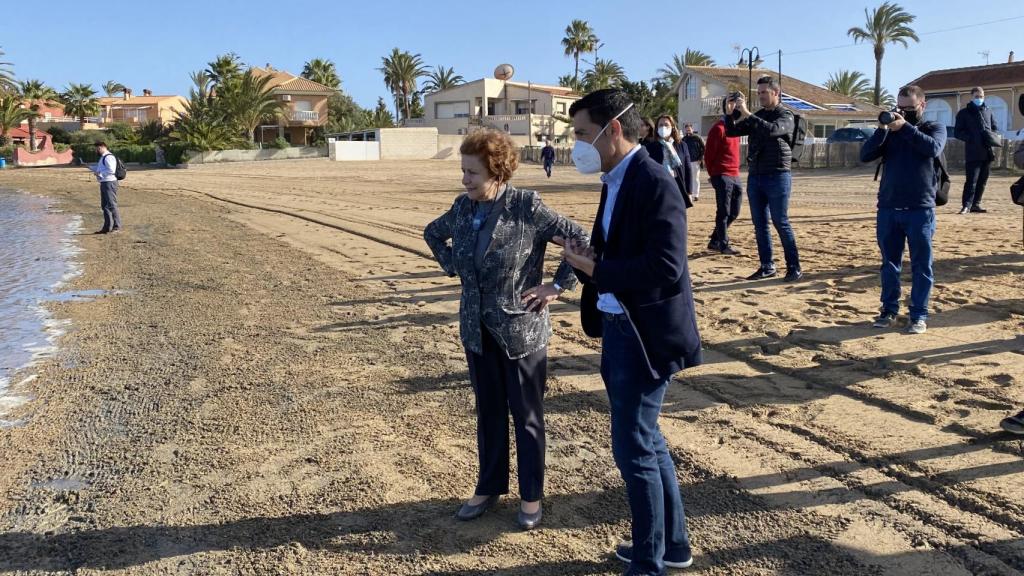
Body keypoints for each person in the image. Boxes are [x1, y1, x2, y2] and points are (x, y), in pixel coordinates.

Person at [563, 89, 702, 575]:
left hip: (642, 336)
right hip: (621, 325)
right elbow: (615, 256)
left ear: (612, 130)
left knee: (634, 447)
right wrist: (585, 261)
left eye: (582, 133)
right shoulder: (616, 179)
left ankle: (648, 563)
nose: (576, 144)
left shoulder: (654, 181)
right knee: (648, 438)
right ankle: (673, 545)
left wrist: (600, 270)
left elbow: (665, 267)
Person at [423, 129, 587, 530]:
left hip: (521, 331)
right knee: (489, 412)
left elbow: (579, 238)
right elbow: (432, 232)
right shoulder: (462, 208)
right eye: (463, 171)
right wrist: (452, 265)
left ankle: (531, 496)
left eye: (472, 173)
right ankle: (489, 486)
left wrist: (557, 286)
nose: (465, 180)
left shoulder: (526, 205)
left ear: (496, 171)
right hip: (477, 330)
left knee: (527, 416)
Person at [860, 85, 947, 335]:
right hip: (888, 207)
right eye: (900, 108)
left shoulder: (933, 128)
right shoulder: (890, 132)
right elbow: (865, 155)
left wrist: (905, 127)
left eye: (909, 108)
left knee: (922, 265)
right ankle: (888, 310)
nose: (904, 113)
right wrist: (882, 128)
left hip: (920, 208)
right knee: (889, 264)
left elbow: (932, 148)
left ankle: (918, 314)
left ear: (923, 105)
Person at [726, 76, 802, 282]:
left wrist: (748, 114)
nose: (760, 96)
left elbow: (773, 130)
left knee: (781, 221)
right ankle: (767, 266)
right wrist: (730, 112)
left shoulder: (786, 115)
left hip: (778, 175)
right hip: (756, 176)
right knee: (760, 224)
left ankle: (794, 266)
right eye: (758, 92)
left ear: (776, 93)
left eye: (763, 92)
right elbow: (731, 131)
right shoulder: (757, 115)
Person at [705, 101, 743, 255]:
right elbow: (709, 155)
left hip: (735, 175)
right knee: (723, 211)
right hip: (722, 175)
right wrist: (714, 175)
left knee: (734, 211)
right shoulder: (718, 129)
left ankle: (715, 240)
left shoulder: (735, 130)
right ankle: (723, 244)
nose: (738, 109)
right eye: (735, 106)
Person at [954, 86, 999, 214]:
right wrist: (971, 138)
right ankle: (966, 205)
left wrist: (992, 137)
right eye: (977, 97)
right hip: (973, 152)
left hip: (987, 152)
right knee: (971, 180)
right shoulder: (964, 113)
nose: (979, 99)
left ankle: (976, 204)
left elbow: (995, 127)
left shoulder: (989, 111)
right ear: (971, 97)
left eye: (981, 96)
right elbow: (957, 132)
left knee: (982, 181)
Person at [643, 115, 694, 203]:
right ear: (657, 128)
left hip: (678, 185)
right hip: (658, 187)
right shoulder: (649, 148)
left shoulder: (682, 146)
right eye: (660, 125)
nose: (663, 127)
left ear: (672, 127)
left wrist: (689, 191)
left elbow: (688, 168)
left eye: (666, 125)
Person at [88, 141, 121, 234]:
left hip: (109, 182)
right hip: (105, 182)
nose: (96, 150)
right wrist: (90, 167)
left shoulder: (108, 157)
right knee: (105, 206)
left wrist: (99, 173)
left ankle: (117, 227)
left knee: (111, 205)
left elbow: (111, 170)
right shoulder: (103, 157)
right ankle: (107, 227)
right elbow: (101, 169)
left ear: (102, 147)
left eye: (97, 148)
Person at [682, 124, 705, 201]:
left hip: (696, 161)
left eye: (689, 129)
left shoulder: (697, 138)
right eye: (687, 129)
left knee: (695, 178)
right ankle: (689, 194)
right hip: (686, 162)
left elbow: (704, 148)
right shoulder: (683, 139)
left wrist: (701, 158)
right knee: (687, 178)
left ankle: (696, 195)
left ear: (692, 129)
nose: (688, 130)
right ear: (685, 130)